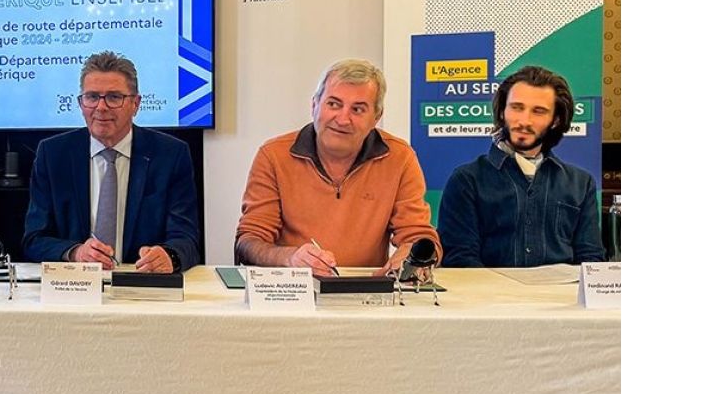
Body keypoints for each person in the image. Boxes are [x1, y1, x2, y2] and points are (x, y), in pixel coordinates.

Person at [235, 58, 440, 274]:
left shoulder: (400, 158)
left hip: (365, 289)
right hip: (293, 286)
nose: (343, 119)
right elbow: (248, 242)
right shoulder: (273, 156)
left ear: (376, 117)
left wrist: (410, 257)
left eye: (358, 109)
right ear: (314, 106)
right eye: (333, 104)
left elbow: (418, 236)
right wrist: (290, 258)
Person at [23, 51, 201, 271]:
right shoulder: (53, 155)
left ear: (136, 104)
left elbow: (187, 239)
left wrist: (169, 256)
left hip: (141, 281)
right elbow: (34, 239)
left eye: (114, 97)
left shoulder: (170, 155)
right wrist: (76, 252)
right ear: (81, 103)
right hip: (75, 283)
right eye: (92, 97)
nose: (101, 107)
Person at [438, 65, 604, 267]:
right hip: (488, 288)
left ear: (555, 120)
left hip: (563, 289)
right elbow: (460, 260)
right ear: (502, 112)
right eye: (517, 107)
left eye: (539, 111)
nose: (524, 121)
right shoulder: (467, 180)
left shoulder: (581, 184)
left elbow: (591, 261)